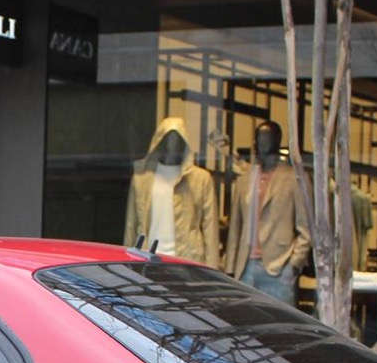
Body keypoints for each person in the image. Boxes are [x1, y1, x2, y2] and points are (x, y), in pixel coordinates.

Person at [225, 120, 310, 303]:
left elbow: (305, 227)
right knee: (245, 322)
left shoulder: (293, 179)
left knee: (280, 324)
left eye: (267, 137)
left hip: (278, 266)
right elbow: (235, 228)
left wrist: (294, 264)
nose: (262, 142)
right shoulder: (244, 181)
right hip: (245, 266)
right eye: (259, 138)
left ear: (277, 141)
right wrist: (231, 266)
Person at [124, 116, 220, 266]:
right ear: (159, 141)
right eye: (168, 138)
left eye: (178, 139)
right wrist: (125, 263)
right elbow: (131, 225)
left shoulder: (201, 179)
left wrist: (213, 270)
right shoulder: (141, 179)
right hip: (146, 259)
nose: (173, 144)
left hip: (187, 259)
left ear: (185, 142)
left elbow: (210, 229)